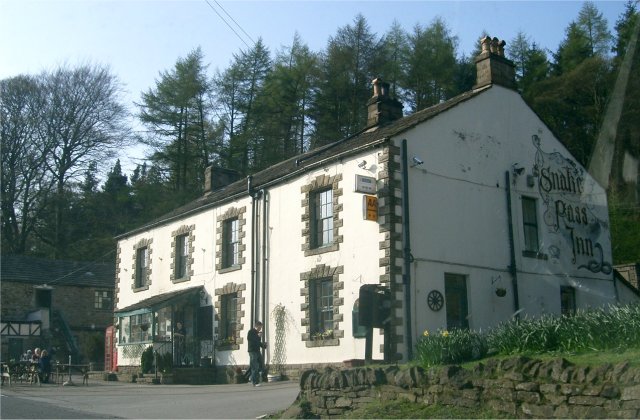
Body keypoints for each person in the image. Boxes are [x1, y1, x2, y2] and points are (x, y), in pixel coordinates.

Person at [247, 321, 267, 386]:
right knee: (254, 366)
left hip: (257, 351)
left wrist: (263, 346)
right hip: (252, 351)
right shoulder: (251, 332)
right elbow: (251, 339)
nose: (261, 329)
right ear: (257, 326)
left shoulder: (257, 333)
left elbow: (258, 342)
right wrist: (258, 337)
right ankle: (255, 382)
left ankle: (252, 377)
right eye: (260, 327)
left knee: (261, 365)